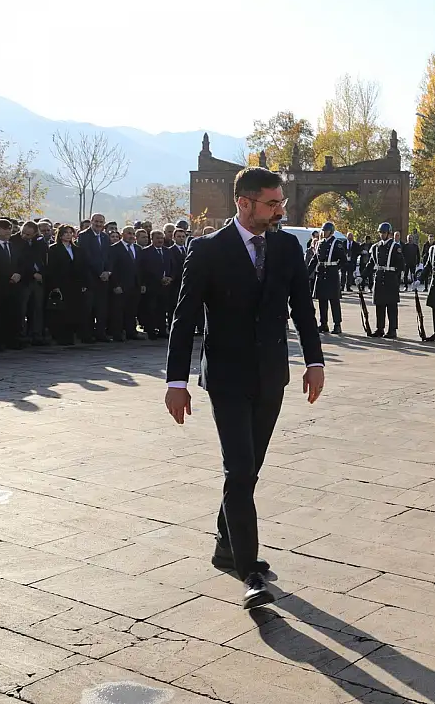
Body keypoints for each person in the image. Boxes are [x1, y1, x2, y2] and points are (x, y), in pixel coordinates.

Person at [164, 167, 325, 610]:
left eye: (282, 204)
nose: (280, 211)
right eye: (272, 204)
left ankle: (224, 545)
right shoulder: (208, 250)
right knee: (238, 470)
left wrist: (315, 361)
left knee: (249, 470)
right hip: (228, 379)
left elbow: (303, 310)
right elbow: (185, 318)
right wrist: (176, 381)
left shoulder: (288, 246)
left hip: (272, 374)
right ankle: (249, 570)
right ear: (244, 203)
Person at [0, 218, 24, 351]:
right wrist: (8, 276)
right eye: (5, 228)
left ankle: (12, 340)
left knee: (13, 314)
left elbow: (20, 263)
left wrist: (18, 274)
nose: (9, 231)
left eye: (10, 228)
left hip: (14, 286)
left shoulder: (14, 245)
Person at [45, 225, 86, 345]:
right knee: (62, 312)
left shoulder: (76, 249)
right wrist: (55, 285)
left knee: (74, 310)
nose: (68, 235)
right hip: (61, 283)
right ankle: (61, 336)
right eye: (66, 232)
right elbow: (52, 268)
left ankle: (72, 335)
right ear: (60, 234)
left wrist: (83, 283)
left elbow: (81, 267)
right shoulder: (53, 249)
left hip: (75, 284)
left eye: (70, 232)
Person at [78, 213, 115, 342]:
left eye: (101, 222)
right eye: (96, 222)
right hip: (90, 278)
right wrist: (99, 272)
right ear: (92, 221)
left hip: (104, 279)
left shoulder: (105, 237)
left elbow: (109, 256)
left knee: (101, 308)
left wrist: (108, 271)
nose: (98, 224)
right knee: (88, 309)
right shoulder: (83, 236)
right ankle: (86, 335)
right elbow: (86, 257)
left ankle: (100, 333)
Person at [366, 221, 404, 338]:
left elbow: (401, 264)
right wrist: (361, 276)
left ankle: (392, 329)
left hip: (390, 277)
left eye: (384, 233)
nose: (382, 235)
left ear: (389, 233)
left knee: (391, 306)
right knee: (379, 304)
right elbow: (371, 263)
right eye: (380, 232)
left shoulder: (395, 246)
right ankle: (380, 328)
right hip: (379, 276)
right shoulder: (376, 247)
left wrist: (395, 277)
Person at [139, 230, 178, 339]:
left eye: (161, 238)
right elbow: (144, 269)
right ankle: (151, 331)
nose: (160, 240)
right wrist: (158, 279)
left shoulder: (168, 251)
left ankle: (162, 330)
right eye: (157, 238)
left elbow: (173, 266)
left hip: (166, 286)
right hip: (152, 285)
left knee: (162, 309)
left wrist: (170, 278)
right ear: (152, 239)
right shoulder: (145, 252)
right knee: (151, 309)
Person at [15, 220, 48, 346]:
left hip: (38, 279)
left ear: (34, 234)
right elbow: (19, 262)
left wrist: (41, 274)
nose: (25, 236)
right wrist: (31, 273)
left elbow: (44, 259)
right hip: (24, 280)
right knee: (21, 309)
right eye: (23, 233)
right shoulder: (15, 241)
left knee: (37, 309)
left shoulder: (39, 242)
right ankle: (21, 336)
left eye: (28, 235)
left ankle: (36, 335)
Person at [109, 226, 145, 341]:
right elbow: (112, 268)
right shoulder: (114, 249)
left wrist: (142, 283)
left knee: (132, 310)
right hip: (121, 285)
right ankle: (117, 334)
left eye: (133, 233)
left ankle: (131, 332)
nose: (131, 236)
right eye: (129, 233)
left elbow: (141, 268)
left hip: (135, 285)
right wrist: (115, 285)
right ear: (122, 234)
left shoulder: (138, 248)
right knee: (118, 311)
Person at [310, 222, 346, 335]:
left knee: (334, 301)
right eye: (323, 231)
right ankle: (323, 323)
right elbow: (315, 259)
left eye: (326, 231)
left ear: (331, 231)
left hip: (331, 274)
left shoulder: (337, 243)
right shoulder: (320, 243)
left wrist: (335, 268)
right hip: (321, 273)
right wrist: (306, 273)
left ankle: (337, 324)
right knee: (322, 300)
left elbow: (343, 260)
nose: (324, 233)